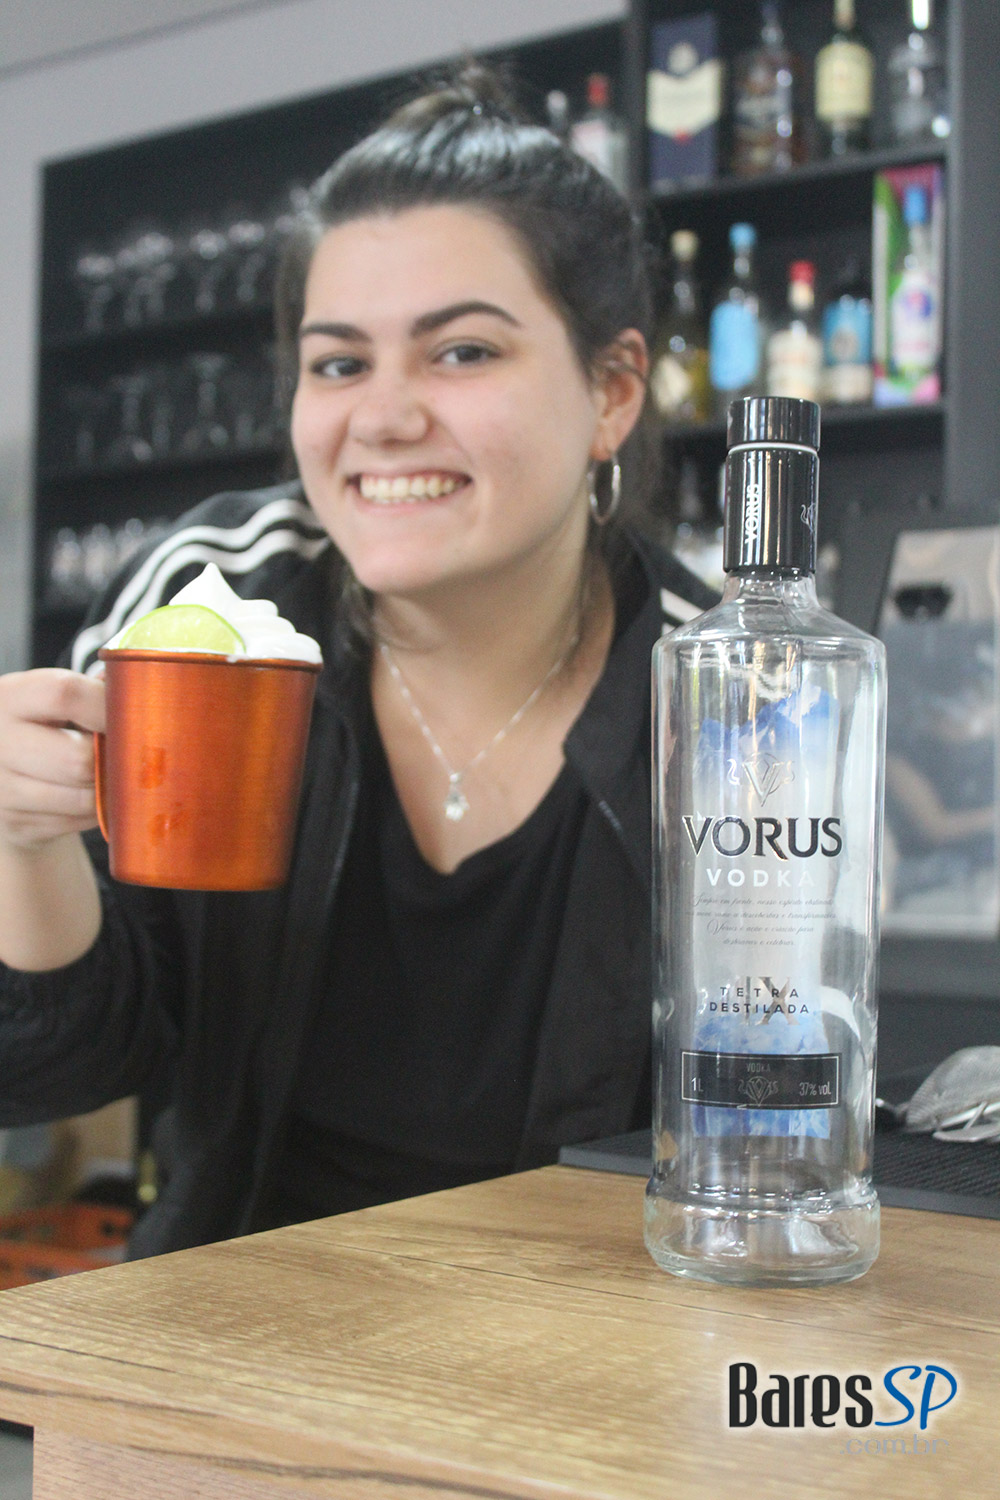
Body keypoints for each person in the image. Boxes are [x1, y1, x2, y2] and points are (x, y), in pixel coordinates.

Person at [0, 69, 715, 1257]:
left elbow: (778, 1113)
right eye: (338, 364)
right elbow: (66, 1068)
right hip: (235, 1312)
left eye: (461, 352)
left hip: (591, 1336)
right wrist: (22, 842)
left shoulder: (725, 689)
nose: (382, 417)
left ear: (611, 392)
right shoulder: (215, 603)